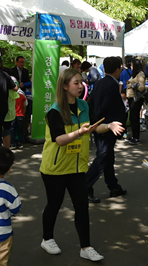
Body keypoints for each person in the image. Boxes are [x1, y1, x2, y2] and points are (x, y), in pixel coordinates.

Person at [39, 68, 122, 260]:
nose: (80, 85)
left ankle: (86, 248)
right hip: (55, 168)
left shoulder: (84, 105)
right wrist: (79, 133)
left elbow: (94, 127)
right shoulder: (55, 111)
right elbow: (59, 139)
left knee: (82, 206)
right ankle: (46, 238)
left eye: (81, 82)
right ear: (65, 86)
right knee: (54, 204)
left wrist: (108, 126)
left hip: (77, 167)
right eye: (76, 82)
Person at [86, 57, 128, 204]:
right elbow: (105, 106)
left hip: (101, 125)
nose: (121, 70)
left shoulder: (99, 83)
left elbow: (91, 103)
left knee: (108, 156)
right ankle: (85, 186)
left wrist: (94, 122)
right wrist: (101, 122)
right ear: (117, 69)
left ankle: (113, 185)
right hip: (107, 127)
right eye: (120, 68)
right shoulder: (111, 85)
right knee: (103, 157)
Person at [126, 59, 146, 145]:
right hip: (131, 98)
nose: (130, 67)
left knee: (134, 117)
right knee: (132, 118)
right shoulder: (135, 74)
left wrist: (131, 85)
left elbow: (141, 87)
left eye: (132, 65)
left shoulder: (140, 74)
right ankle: (134, 136)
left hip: (137, 98)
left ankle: (136, 137)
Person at [10, 83, 27, 149]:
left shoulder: (10, 96)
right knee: (20, 130)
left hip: (12, 115)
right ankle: (20, 143)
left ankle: (12, 144)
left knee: (12, 130)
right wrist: (24, 113)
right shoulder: (22, 96)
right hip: (20, 115)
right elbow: (24, 105)